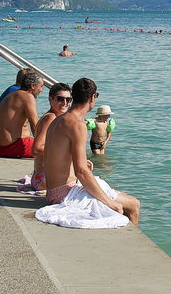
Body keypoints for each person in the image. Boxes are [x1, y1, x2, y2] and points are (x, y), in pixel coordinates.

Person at [40, 77, 140, 224]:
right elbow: (81, 172)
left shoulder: (58, 120)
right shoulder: (77, 124)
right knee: (133, 205)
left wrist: (78, 162)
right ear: (93, 97)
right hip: (65, 194)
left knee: (119, 196)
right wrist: (110, 203)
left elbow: (56, 156)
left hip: (53, 191)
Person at [19, 82, 72, 195]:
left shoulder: (55, 117)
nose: (65, 103)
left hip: (41, 177)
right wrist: (66, 152)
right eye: (60, 99)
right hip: (43, 179)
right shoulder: (50, 118)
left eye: (68, 99)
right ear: (51, 99)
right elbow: (36, 149)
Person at [0, 69, 43, 158]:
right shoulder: (28, 97)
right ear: (33, 86)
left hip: (1, 147)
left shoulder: (11, 95)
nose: (41, 90)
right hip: (15, 146)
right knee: (56, 149)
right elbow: (35, 127)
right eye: (41, 86)